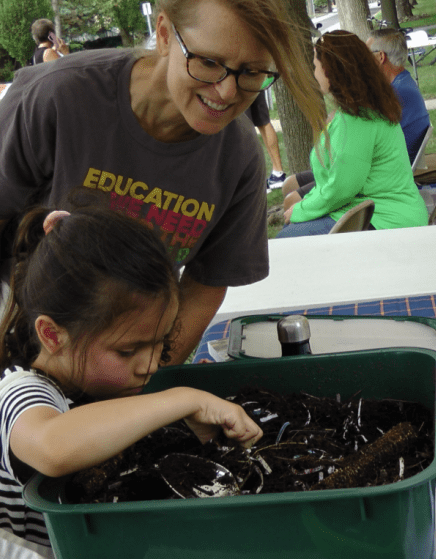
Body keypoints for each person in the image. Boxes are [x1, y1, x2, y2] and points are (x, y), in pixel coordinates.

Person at [0, 0, 326, 365]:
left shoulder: (239, 157)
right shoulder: (57, 99)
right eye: (208, 62)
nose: (226, 92)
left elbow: (206, 283)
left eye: (251, 73)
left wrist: (147, 377)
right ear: (165, 34)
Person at [0, 206, 262, 554]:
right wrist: (184, 400)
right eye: (128, 351)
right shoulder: (21, 390)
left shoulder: (96, 383)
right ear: (52, 335)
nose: (151, 364)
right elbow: (53, 447)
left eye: (162, 342)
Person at [277, 31, 428, 238]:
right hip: (371, 212)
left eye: (315, 66)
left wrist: (301, 209)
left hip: (387, 220)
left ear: (331, 71)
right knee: (288, 237)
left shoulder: (358, 118)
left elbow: (342, 188)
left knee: (285, 243)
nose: (313, 73)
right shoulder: (357, 110)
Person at [366, 29, 431, 165]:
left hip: (393, 172)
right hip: (397, 166)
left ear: (381, 57)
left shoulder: (396, 92)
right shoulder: (403, 82)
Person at [244, 91, 286, 191]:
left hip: (237, 81)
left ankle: (255, 182)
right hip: (256, 78)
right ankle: (278, 173)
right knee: (263, 121)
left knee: (243, 125)